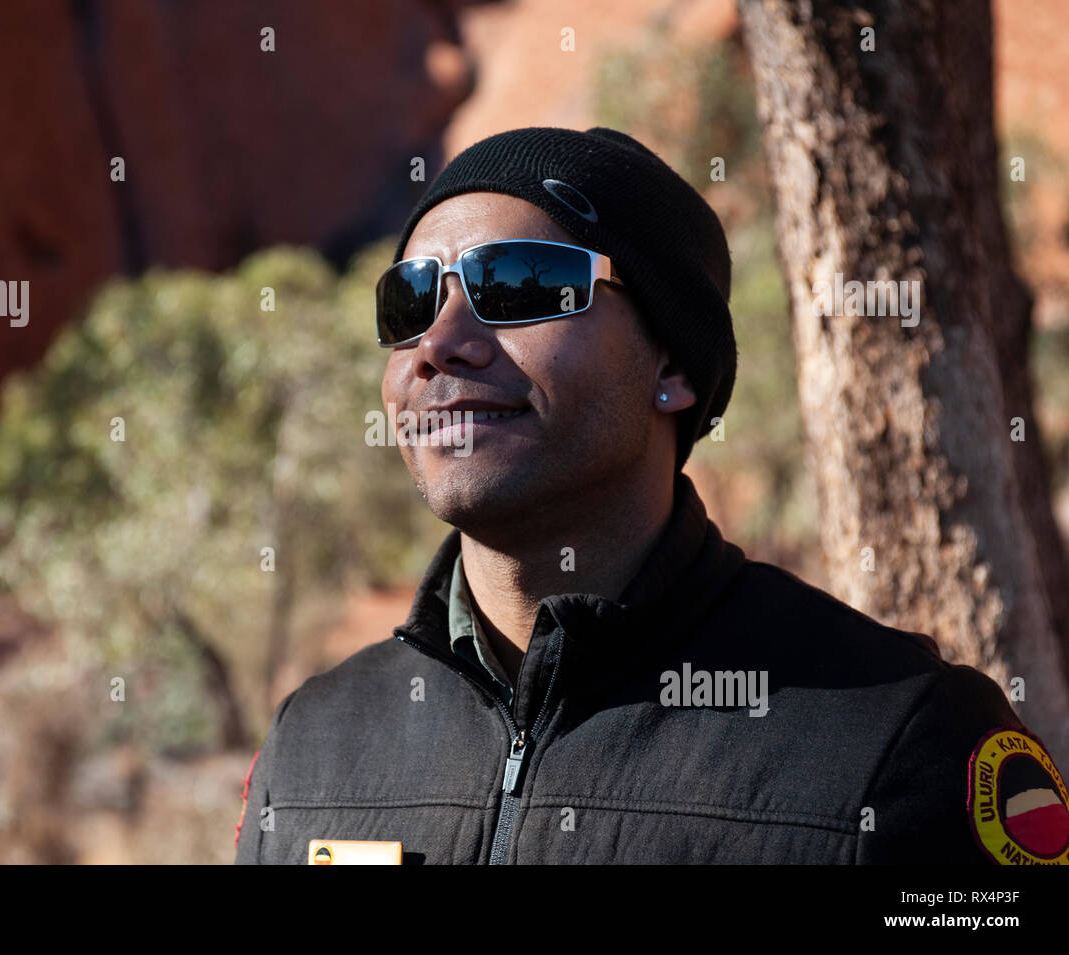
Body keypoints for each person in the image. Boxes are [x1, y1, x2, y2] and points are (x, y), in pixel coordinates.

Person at [234, 127, 1067, 865]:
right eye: (410, 301)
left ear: (671, 365)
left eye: (520, 285)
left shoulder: (902, 740)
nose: (439, 345)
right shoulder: (311, 749)